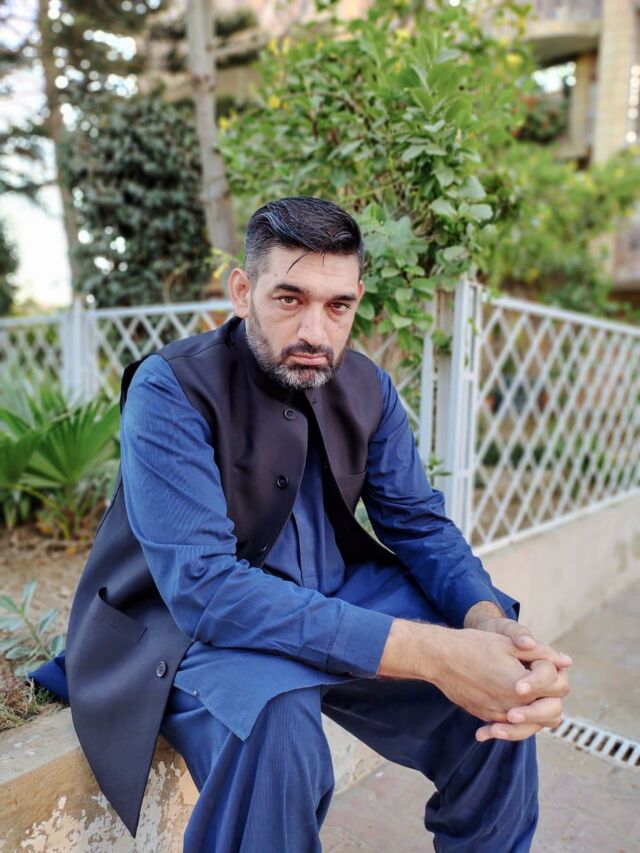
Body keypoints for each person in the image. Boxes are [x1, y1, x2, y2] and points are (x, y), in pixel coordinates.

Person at [30, 196, 571, 852]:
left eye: (337, 305)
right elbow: (205, 590)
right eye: (290, 299)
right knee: (277, 721)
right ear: (243, 291)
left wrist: (489, 626)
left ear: (356, 301)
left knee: (501, 687)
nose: (315, 330)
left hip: (331, 593)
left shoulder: (370, 388)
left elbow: (420, 525)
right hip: (185, 625)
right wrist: (432, 651)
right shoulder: (170, 388)